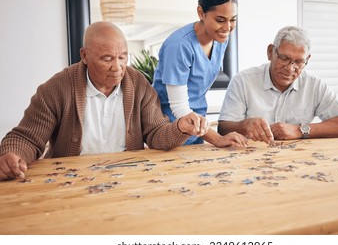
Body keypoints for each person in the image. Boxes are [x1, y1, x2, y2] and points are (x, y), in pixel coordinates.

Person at [0, 21, 210, 181]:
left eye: (123, 57)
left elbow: (156, 133)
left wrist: (180, 128)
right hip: (69, 179)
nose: (118, 67)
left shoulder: (138, 83)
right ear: (84, 55)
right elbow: (27, 138)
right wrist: (12, 154)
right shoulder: (57, 88)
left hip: (128, 175)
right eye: (107, 58)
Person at [218, 26, 338, 145]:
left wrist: (300, 130)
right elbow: (223, 129)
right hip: (249, 159)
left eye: (299, 62)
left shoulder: (314, 85)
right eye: (284, 58)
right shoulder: (243, 81)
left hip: (298, 160)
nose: (290, 68)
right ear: (270, 52)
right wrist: (244, 125)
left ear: (307, 59)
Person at [152, 0, 247, 148]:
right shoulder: (179, 45)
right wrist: (218, 139)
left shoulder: (220, 39)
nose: (227, 27)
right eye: (220, 20)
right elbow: (180, 108)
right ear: (201, 13)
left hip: (199, 126)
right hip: (170, 129)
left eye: (233, 20)